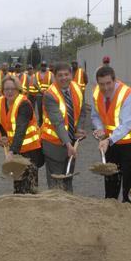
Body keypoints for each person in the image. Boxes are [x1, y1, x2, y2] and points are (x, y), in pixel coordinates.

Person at [93, 66, 131, 203]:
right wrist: (99, 129)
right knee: (110, 176)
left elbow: (126, 124)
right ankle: (110, 205)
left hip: (130, 142)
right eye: (101, 84)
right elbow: (95, 115)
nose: (105, 88)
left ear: (115, 80)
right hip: (110, 141)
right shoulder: (96, 93)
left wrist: (108, 140)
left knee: (128, 179)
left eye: (108, 83)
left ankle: (129, 207)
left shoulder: (127, 95)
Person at [41, 62, 86, 193]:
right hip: (53, 144)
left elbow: (82, 112)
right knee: (56, 185)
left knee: (68, 180)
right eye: (60, 75)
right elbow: (58, 122)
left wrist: (79, 129)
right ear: (54, 77)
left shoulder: (77, 89)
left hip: (71, 143)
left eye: (66, 74)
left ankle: (69, 208)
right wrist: (68, 144)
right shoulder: (50, 94)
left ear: (71, 75)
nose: (64, 78)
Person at [0, 75, 42, 194]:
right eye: (7, 89)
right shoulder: (1, 102)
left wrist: (12, 152)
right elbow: (2, 123)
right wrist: (3, 136)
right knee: (18, 183)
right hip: (16, 148)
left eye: (13, 89)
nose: (10, 92)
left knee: (30, 184)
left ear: (18, 89)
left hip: (30, 149)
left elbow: (20, 129)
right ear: (2, 90)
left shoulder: (24, 104)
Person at [33, 61, 54, 126]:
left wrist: (47, 91)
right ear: (40, 66)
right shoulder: (36, 74)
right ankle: (40, 122)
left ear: (46, 66)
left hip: (48, 94)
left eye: (44, 65)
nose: (43, 67)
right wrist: (40, 90)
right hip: (39, 94)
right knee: (39, 109)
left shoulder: (51, 74)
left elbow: (53, 83)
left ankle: (47, 122)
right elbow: (34, 83)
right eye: (42, 65)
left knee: (48, 108)